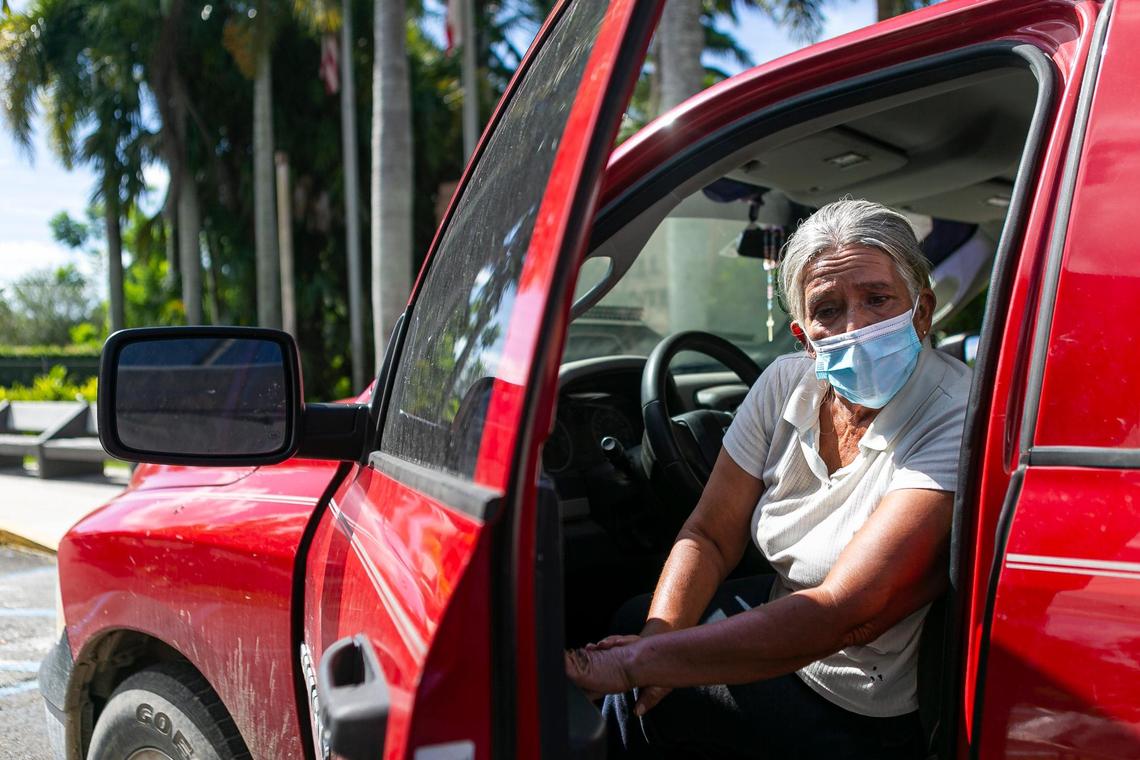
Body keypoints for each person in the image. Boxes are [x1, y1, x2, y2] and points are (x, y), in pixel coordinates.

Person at [565, 198, 971, 758]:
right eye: (828, 309)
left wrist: (638, 663)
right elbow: (710, 533)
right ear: (804, 338)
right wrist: (660, 643)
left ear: (921, 311)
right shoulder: (786, 383)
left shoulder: (955, 412)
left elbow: (841, 614)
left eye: (877, 299)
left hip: (858, 694)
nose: (854, 326)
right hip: (790, 613)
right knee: (638, 620)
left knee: (634, 697)